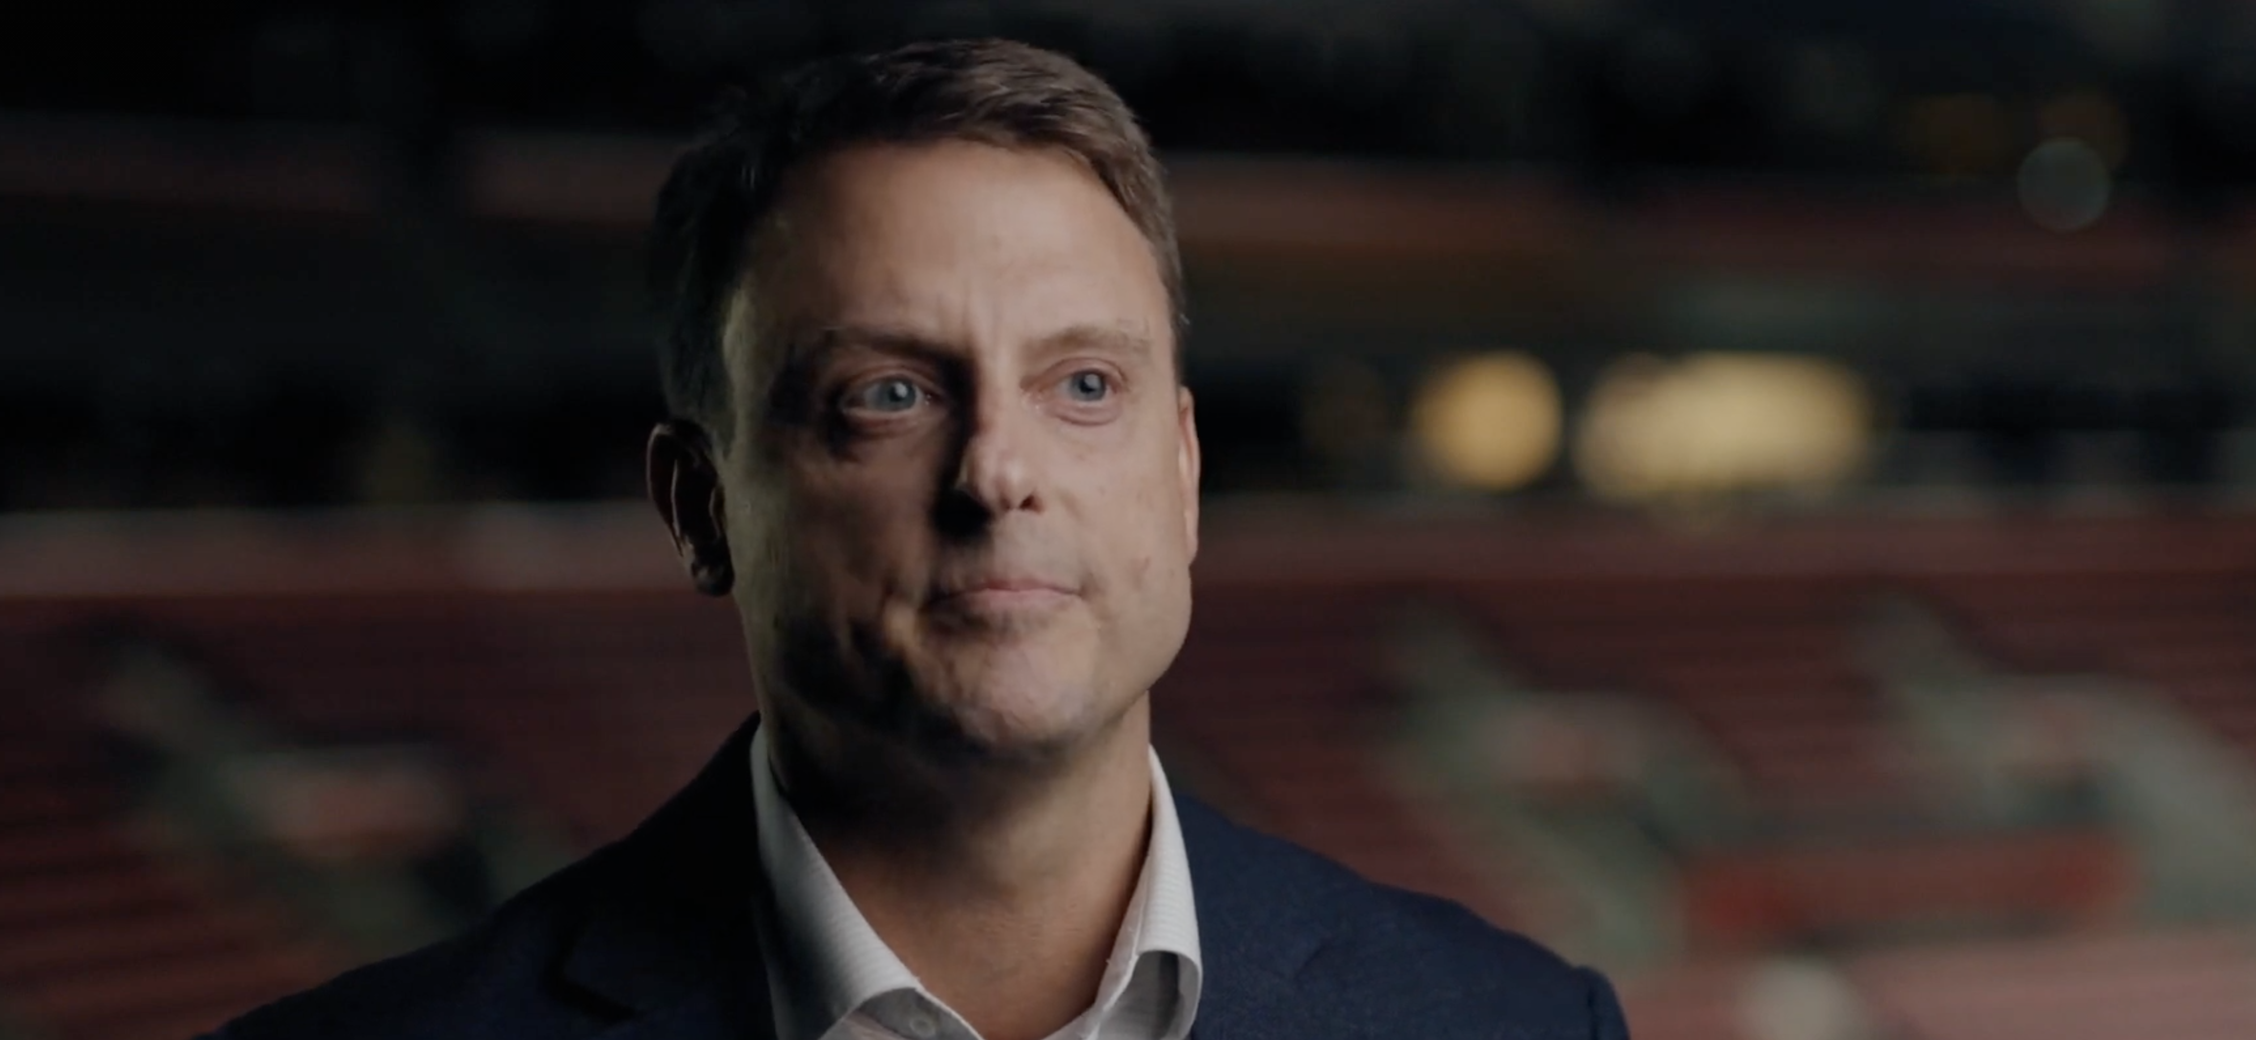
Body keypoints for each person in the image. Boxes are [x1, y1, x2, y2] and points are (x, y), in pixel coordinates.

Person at [209, 38, 1627, 1040]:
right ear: (700, 507)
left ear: (1182, 472)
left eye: (1085, 386)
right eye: (885, 396)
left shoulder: (1518, 1024)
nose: (999, 472)